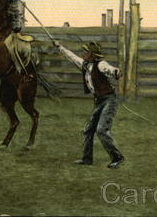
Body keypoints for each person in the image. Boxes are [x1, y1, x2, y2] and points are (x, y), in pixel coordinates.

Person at [53, 40, 124, 169]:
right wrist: (60, 47)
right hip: (99, 101)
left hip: (109, 100)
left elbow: (110, 70)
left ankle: (117, 158)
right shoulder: (85, 64)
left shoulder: (101, 64)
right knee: (88, 130)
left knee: (101, 130)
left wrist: (116, 72)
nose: (83, 53)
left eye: (86, 52)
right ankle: (87, 159)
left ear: (92, 55)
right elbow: (72, 57)